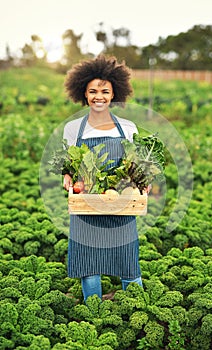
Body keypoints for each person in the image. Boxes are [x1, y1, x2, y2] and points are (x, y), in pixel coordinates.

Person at [63, 55, 145, 303]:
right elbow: (68, 166)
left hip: (120, 201)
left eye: (105, 91)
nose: (99, 96)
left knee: (127, 258)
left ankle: (137, 305)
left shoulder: (128, 128)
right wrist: (67, 178)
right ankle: (94, 310)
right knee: (88, 260)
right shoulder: (73, 128)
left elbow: (135, 164)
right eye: (93, 91)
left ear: (114, 94)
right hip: (86, 202)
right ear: (84, 94)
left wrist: (142, 180)